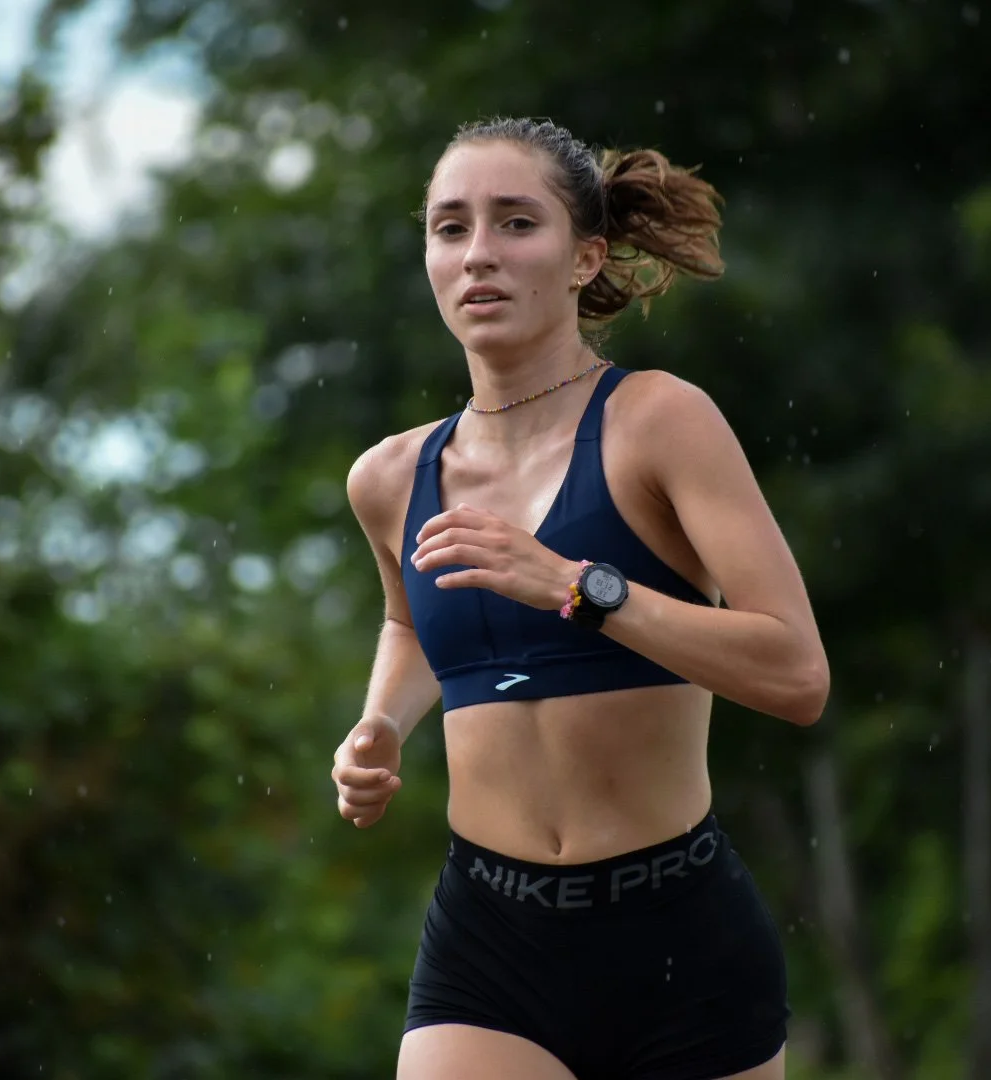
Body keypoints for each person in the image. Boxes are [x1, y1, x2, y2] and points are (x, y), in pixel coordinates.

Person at [333, 116, 830, 1080]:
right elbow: (412, 624)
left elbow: (796, 672)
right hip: (488, 938)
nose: (479, 253)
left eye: (517, 223)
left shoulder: (658, 422)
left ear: (584, 256)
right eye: (450, 227)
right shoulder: (388, 478)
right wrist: (380, 724)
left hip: (679, 936)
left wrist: (578, 586)